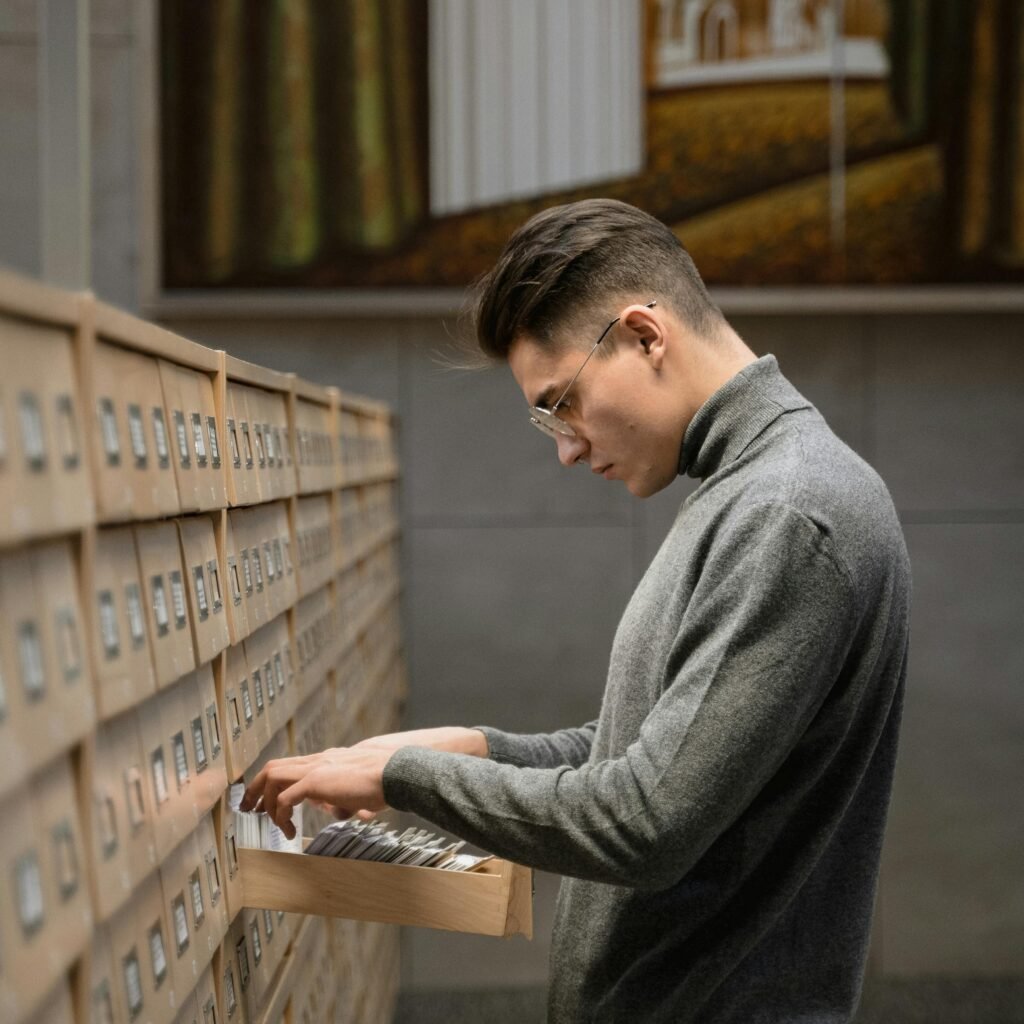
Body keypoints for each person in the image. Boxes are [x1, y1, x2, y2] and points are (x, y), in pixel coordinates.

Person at [242, 199, 911, 1022]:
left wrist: (402, 776)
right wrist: (479, 750)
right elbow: (664, 752)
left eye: (562, 403)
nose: (566, 447)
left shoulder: (785, 514)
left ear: (643, 335)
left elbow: (646, 822)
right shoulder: (746, 493)